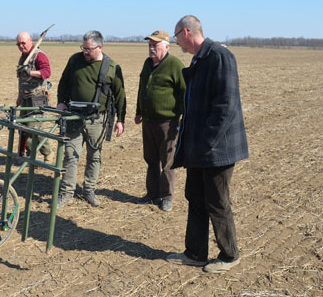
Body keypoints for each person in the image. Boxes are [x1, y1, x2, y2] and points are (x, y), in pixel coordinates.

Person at [167, 15, 248, 273]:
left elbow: (225, 105)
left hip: (216, 149)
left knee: (216, 201)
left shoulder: (219, 57)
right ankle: (195, 252)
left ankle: (229, 255)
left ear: (187, 32)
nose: (175, 41)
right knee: (196, 197)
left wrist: (207, 143)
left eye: (176, 36)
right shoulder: (199, 59)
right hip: (199, 148)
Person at [55, 30, 126, 208]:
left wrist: (120, 120)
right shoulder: (75, 60)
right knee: (70, 155)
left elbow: (120, 96)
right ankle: (67, 193)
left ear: (100, 47)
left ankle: (89, 191)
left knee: (94, 156)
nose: (85, 52)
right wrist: (61, 102)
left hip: (97, 120)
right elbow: (63, 82)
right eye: (83, 48)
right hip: (74, 116)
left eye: (88, 49)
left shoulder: (111, 67)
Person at [134, 30, 186, 212]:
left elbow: (185, 93)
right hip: (148, 121)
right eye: (149, 45)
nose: (151, 48)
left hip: (168, 123)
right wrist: (139, 112)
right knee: (151, 159)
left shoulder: (175, 65)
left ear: (166, 46)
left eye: (155, 45)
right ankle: (152, 193)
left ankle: (167, 197)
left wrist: (181, 118)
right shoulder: (148, 64)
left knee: (168, 161)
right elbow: (143, 88)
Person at [16, 31, 52, 161]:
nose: (21, 46)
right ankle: (33, 156)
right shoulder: (23, 58)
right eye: (18, 44)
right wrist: (19, 95)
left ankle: (45, 153)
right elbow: (21, 79)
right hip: (25, 97)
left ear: (30, 41)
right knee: (23, 128)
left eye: (23, 43)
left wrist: (30, 72)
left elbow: (47, 72)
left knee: (32, 128)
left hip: (37, 98)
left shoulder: (39, 55)